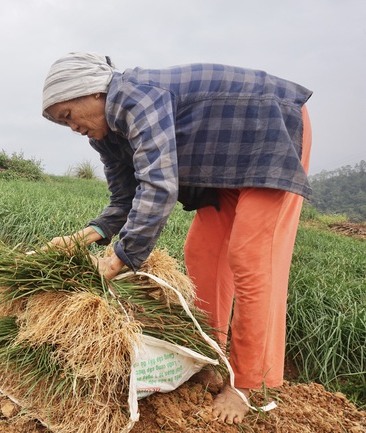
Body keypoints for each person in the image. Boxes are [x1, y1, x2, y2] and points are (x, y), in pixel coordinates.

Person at [42, 52, 312, 424]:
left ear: (93, 92)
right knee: (201, 251)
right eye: (62, 124)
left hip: (269, 134)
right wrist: (80, 239)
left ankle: (245, 384)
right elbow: (124, 199)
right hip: (224, 162)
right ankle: (208, 358)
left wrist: (121, 257)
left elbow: (158, 185)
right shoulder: (105, 137)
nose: (71, 127)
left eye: (68, 116)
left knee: (250, 258)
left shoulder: (136, 97)